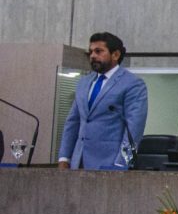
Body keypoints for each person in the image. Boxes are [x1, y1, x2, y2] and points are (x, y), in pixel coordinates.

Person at [58, 32, 148, 170]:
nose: (93, 56)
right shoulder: (84, 82)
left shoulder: (132, 84)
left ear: (116, 55)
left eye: (98, 51)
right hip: (78, 163)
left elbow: (134, 129)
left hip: (111, 164)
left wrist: (122, 164)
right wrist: (64, 158)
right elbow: (73, 121)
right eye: (91, 52)